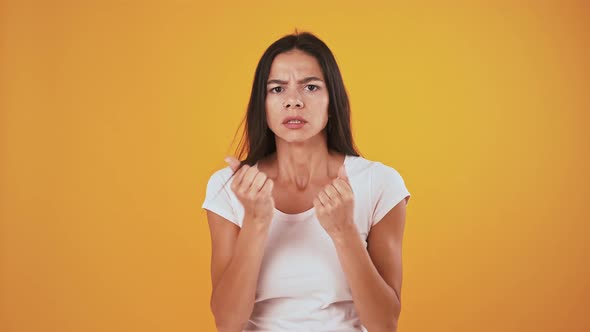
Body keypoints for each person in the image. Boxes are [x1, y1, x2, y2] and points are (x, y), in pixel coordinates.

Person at [201, 31, 411, 332]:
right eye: (276, 89)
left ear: (332, 100)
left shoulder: (380, 182)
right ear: (262, 103)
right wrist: (256, 222)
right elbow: (227, 322)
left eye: (310, 87)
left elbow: (384, 323)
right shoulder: (230, 187)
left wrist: (344, 231)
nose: (293, 102)